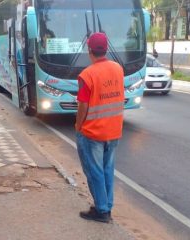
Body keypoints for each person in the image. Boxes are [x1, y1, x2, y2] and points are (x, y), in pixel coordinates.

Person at [75, 32, 125, 223]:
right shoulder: (118, 69)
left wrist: (78, 126)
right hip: (113, 130)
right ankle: (106, 206)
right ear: (106, 49)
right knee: (107, 170)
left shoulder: (87, 75)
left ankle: (102, 210)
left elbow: (83, 106)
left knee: (94, 171)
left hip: (93, 132)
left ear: (89, 50)